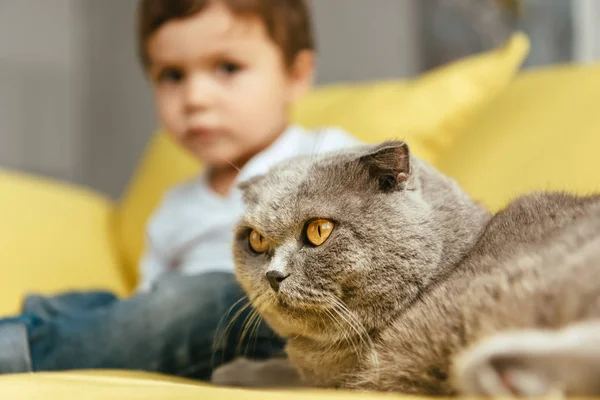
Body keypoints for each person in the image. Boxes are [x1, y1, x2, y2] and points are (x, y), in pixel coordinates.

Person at [0, 0, 360, 380]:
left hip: (284, 319)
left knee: (206, 298)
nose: (195, 98)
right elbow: (146, 310)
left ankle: (21, 350)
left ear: (296, 75)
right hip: (189, 342)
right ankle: (29, 329)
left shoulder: (328, 156)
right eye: (172, 75)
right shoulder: (176, 206)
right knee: (84, 305)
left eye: (227, 68)